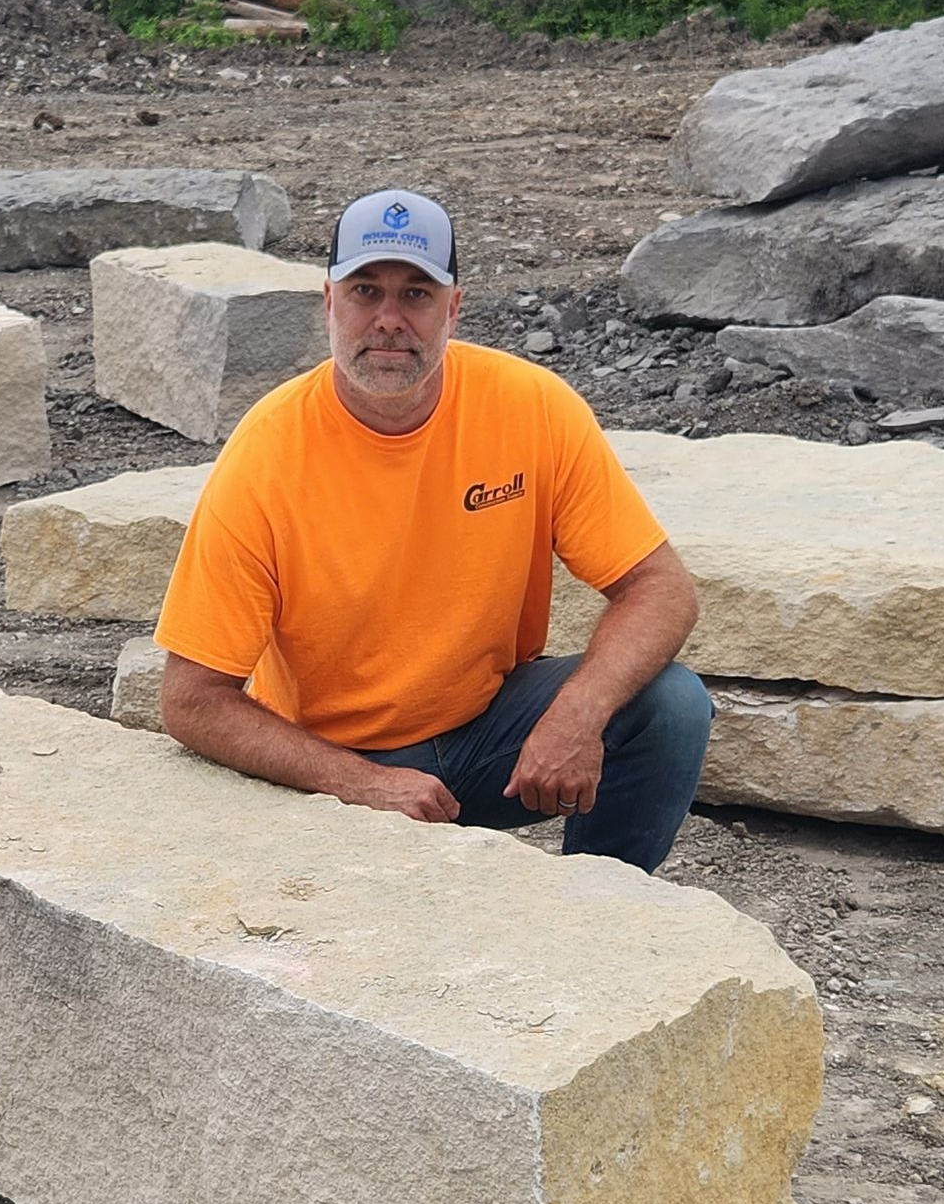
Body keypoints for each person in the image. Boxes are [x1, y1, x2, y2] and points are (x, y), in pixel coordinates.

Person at [152, 187, 711, 873]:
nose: (389, 319)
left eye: (417, 295)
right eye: (366, 291)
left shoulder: (530, 407)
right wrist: (359, 785)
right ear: (328, 303)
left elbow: (661, 587)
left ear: (455, 308)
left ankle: (597, 914)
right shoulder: (267, 455)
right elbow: (190, 700)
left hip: (491, 736)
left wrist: (578, 714)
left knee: (671, 707)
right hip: (337, 765)